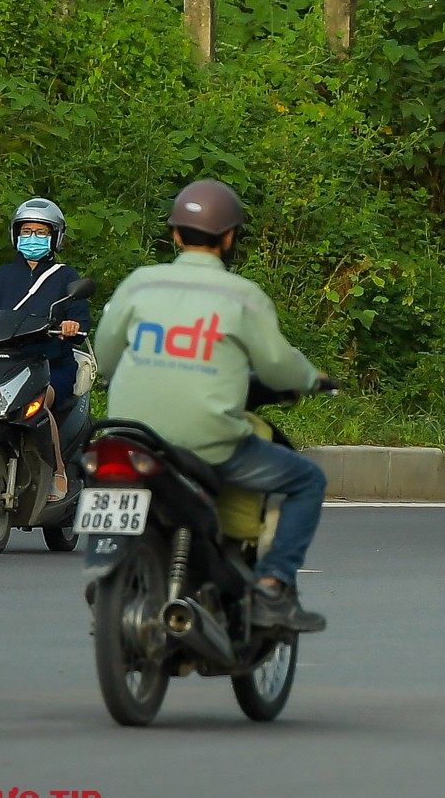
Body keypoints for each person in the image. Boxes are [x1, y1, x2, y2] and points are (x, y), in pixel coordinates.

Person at [93, 180, 330, 633]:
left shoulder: (139, 284)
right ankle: (274, 588)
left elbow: (105, 358)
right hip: (209, 442)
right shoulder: (241, 296)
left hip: (127, 435)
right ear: (228, 238)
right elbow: (279, 367)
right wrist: (311, 380)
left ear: (177, 235)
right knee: (308, 480)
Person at [0, 198, 91, 501]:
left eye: (40, 232)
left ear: (55, 236)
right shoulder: (0, 277)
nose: (32, 237)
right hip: (7, 363)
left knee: (39, 402)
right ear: (15, 235)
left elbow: (82, 320)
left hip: (50, 364)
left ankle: (57, 470)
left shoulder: (66, 276)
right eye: (26, 231)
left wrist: (71, 326)